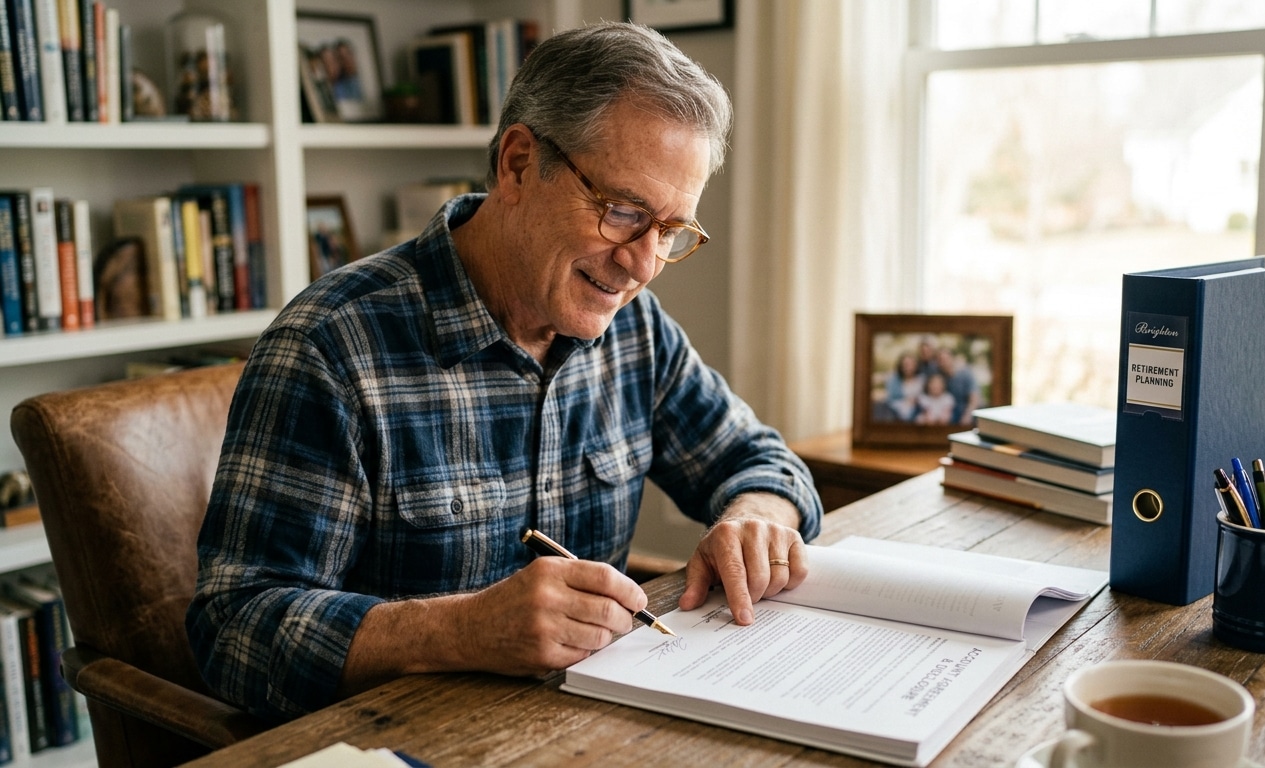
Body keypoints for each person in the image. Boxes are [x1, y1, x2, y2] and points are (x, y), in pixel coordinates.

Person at [187, 21, 823, 723]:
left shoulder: (632, 330)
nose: (643, 265)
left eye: (670, 231)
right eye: (622, 212)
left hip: (579, 728)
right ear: (518, 164)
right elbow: (233, 632)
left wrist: (756, 519)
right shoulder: (333, 346)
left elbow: (760, 460)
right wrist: (459, 630)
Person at [884, 351, 924, 422]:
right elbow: (890, 399)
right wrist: (906, 401)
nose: (908, 367)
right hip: (896, 413)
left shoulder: (922, 379)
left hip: (917, 413)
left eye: (911, 364)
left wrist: (916, 401)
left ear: (915, 365)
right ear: (901, 366)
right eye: (905, 364)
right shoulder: (893, 380)